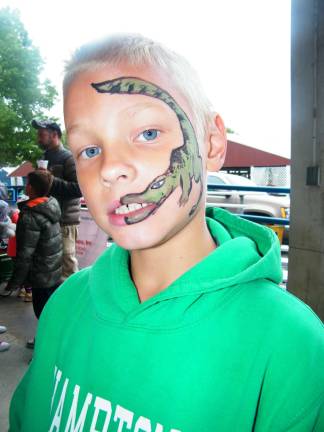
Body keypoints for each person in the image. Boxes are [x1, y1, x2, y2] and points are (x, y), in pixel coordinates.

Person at [9, 34, 324, 431]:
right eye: (89, 150)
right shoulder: (66, 303)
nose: (110, 168)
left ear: (211, 144)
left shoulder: (292, 346)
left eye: (147, 134)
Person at [5, 170, 63, 347]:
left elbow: (25, 254)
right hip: (53, 270)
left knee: (43, 313)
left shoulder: (31, 215)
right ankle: (50, 341)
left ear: (30, 187)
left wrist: (14, 282)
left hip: (41, 275)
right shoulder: (51, 205)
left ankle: (46, 349)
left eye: (27, 183)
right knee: (51, 311)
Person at [31, 119, 82, 281]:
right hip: (47, 219)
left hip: (65, 221)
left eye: (41, 135)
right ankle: (56, 302)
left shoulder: (68, 157)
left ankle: (73, 303)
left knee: (67, 265)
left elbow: (78, 189)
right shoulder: (45, 157)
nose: (38, 138)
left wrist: (50, 180)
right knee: (50, 265)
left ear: (54, 135)